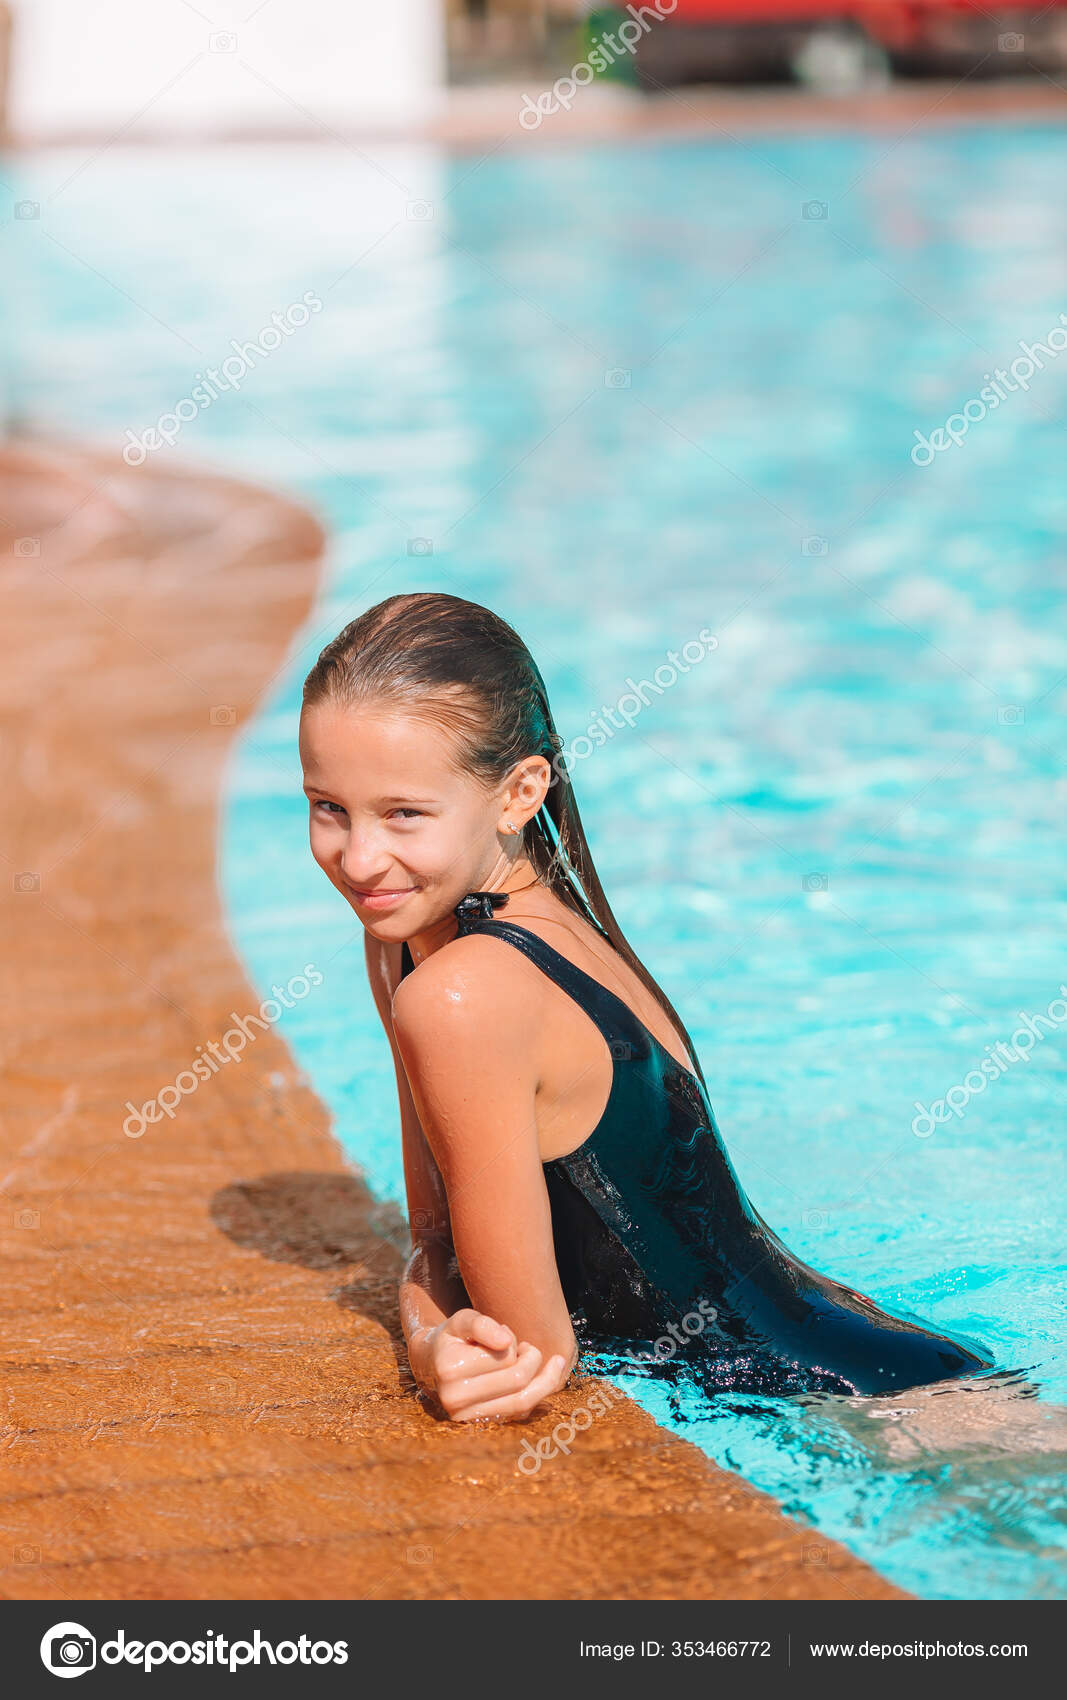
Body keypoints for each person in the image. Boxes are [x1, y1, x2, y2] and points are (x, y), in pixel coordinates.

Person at [299, 590, 1000, 1426]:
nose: (360, 857)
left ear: (520, 793)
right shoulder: (438, 933)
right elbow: (437, 1240)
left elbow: (527, 1354)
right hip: (864, 1353)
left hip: (866, 1411)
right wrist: (430, 1325)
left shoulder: (460, 994)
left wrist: (425, 1344)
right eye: (327, 807)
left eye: (403, 813)